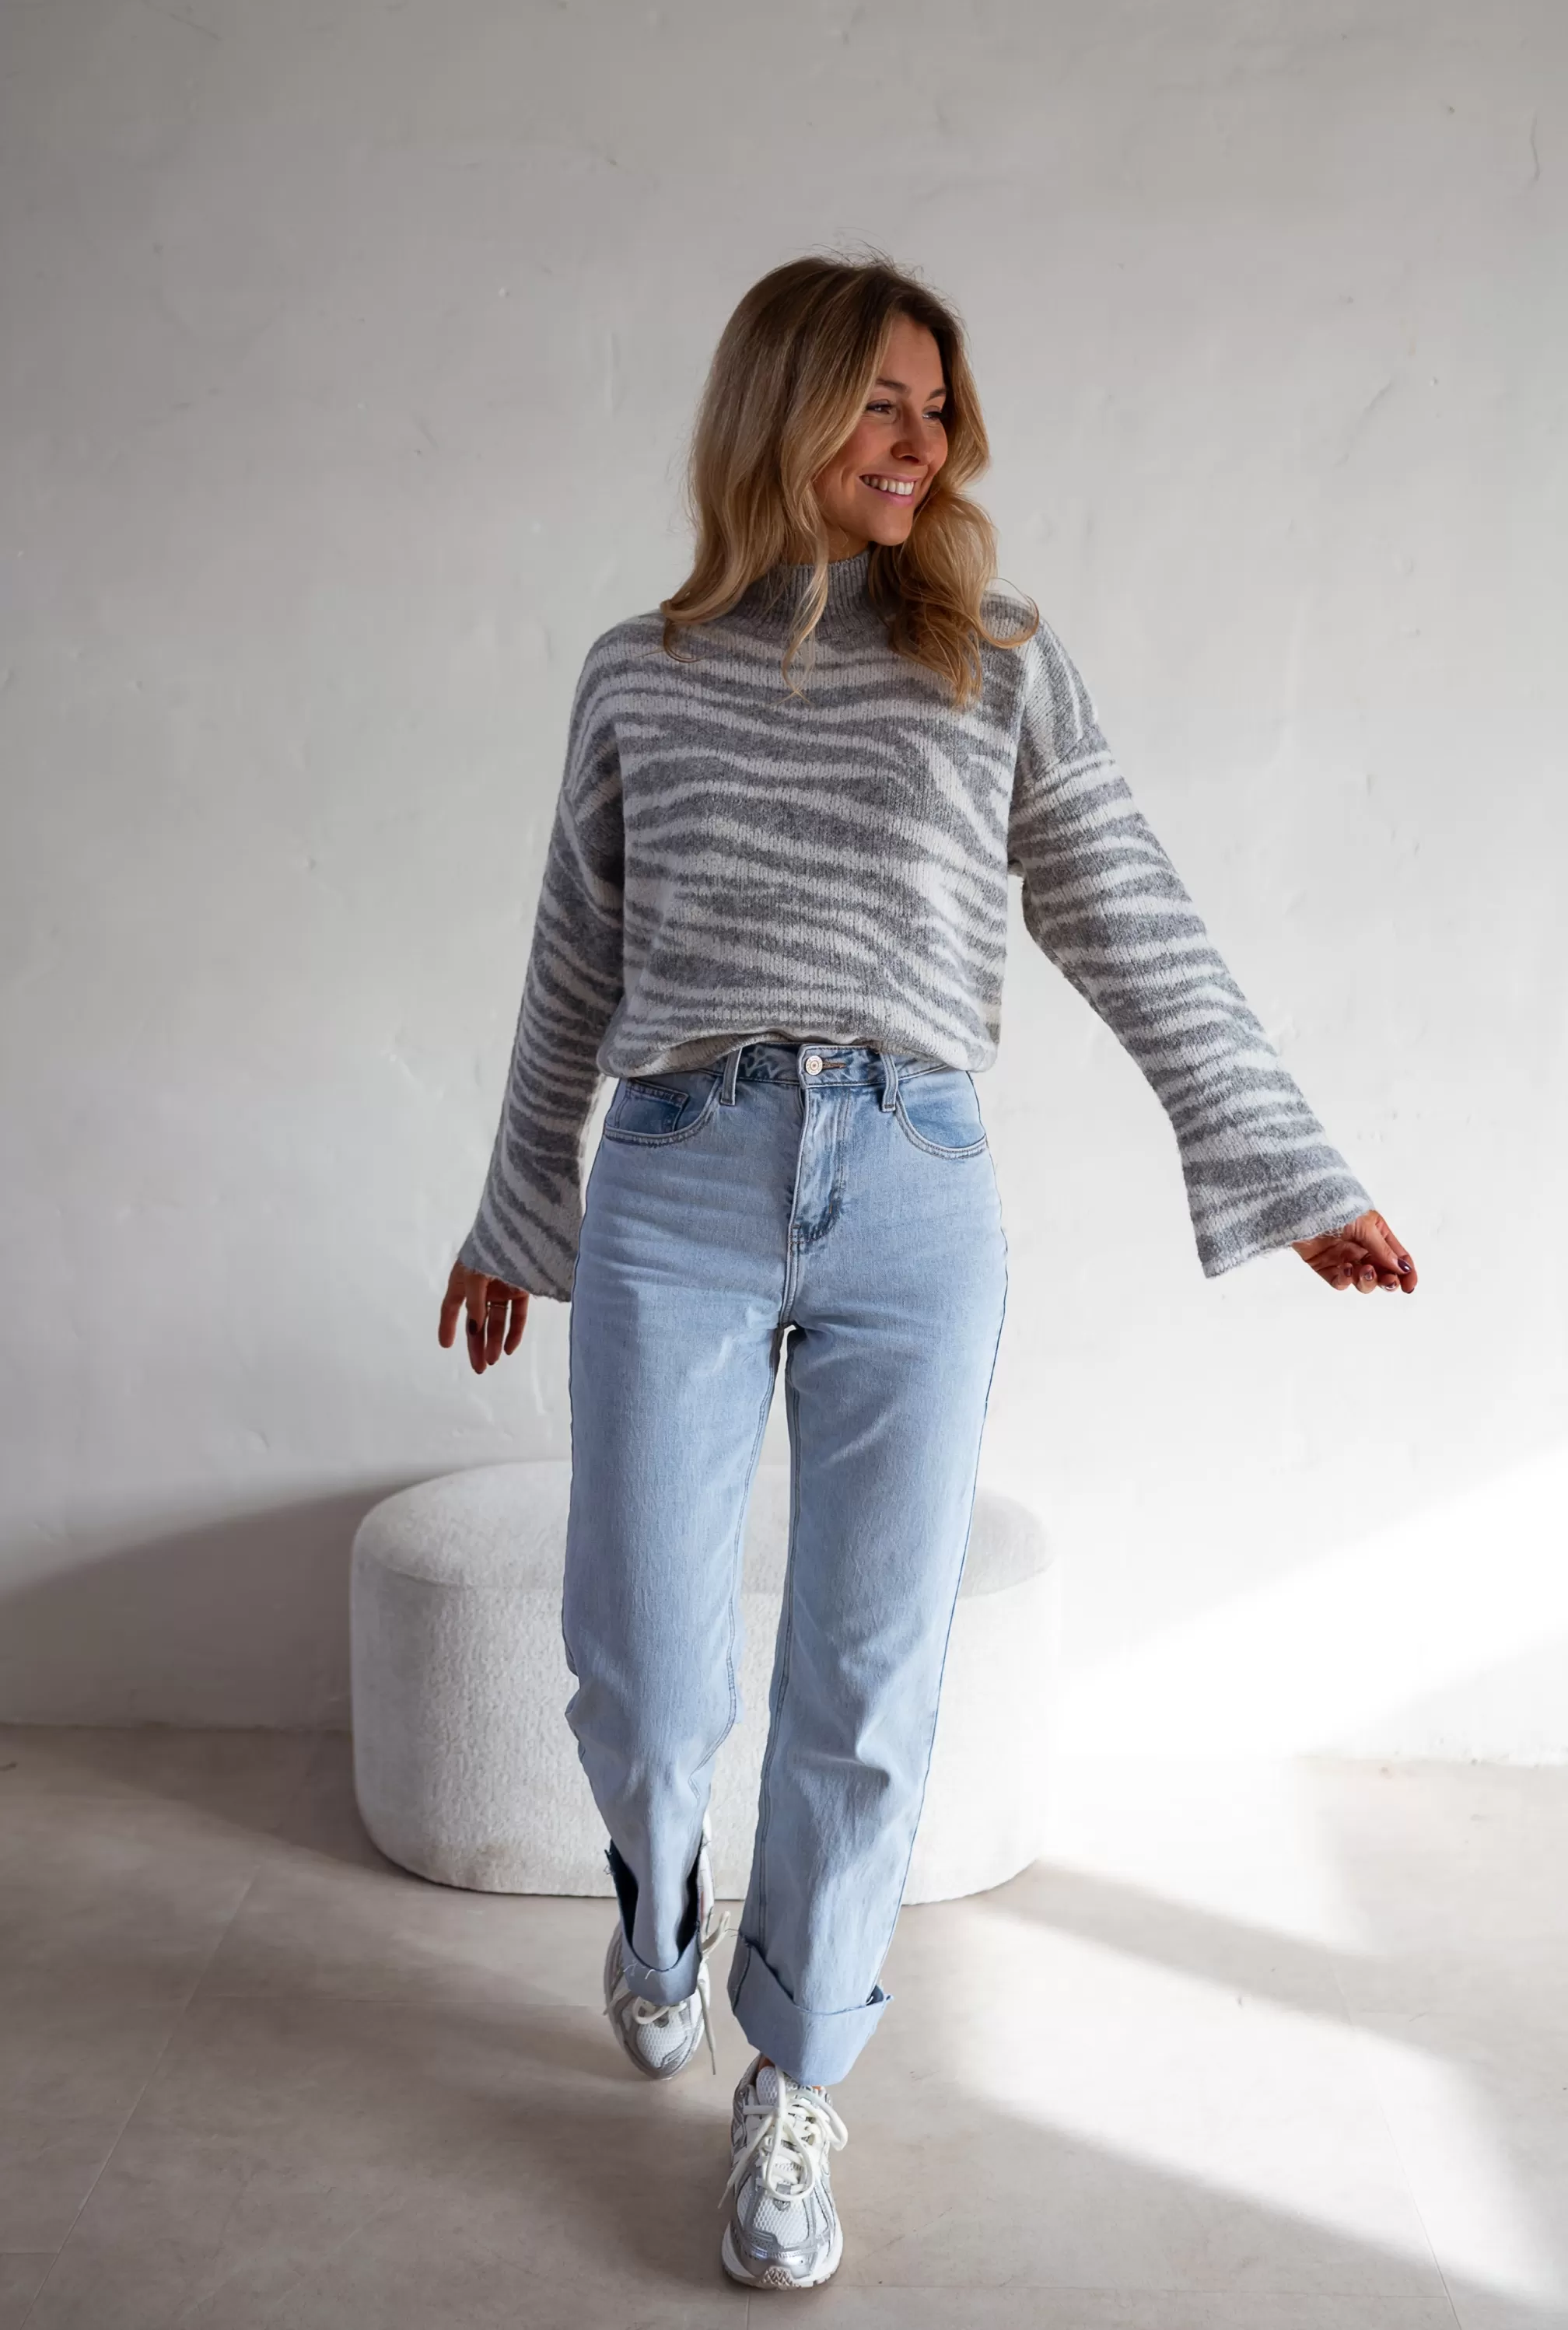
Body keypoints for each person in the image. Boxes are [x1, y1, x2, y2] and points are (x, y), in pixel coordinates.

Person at [437, 253, 1418, 2292]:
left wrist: (1285, 1159)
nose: (923, 442)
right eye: (882, 400)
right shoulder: (641, 675)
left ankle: (796, 2078)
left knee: (870, 1677)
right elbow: (571, 962)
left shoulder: (1000, 661)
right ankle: (658, 1900)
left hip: (916, 1186)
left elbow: (1132, 913)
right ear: (784, 409)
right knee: (643, 1659)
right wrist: (521, 1205)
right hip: (682, 1172)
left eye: (939, 406)